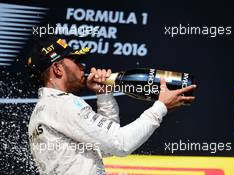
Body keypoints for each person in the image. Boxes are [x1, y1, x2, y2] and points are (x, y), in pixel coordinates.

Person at [27, 36, 196, 175]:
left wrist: (104, 94)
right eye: (75, 60)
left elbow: (107, 147)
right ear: (57, 68)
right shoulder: (62, 104)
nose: (82, 66)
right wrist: (161, 107)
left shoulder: (44, 110)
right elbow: (121, 144)